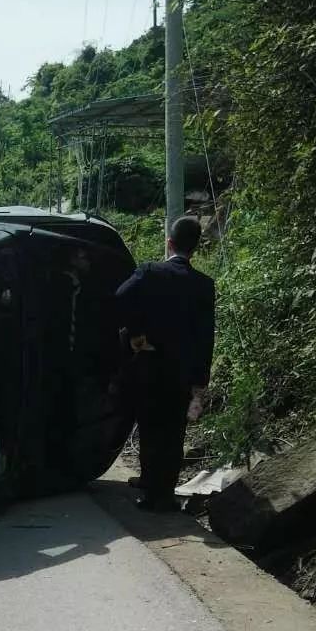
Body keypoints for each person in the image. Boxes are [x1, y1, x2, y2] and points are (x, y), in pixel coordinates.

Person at [115, 214, 216, 511]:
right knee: (173, 431)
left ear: (169, 243)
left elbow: (120, 298)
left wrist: (136, 334)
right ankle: (165, 492)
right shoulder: (204, 285)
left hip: (150, 362)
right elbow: (205, 336)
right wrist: (200, 381)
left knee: (149, 424)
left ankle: (150, 488)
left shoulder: (149, 272)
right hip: (182, 370)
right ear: (195, 248)